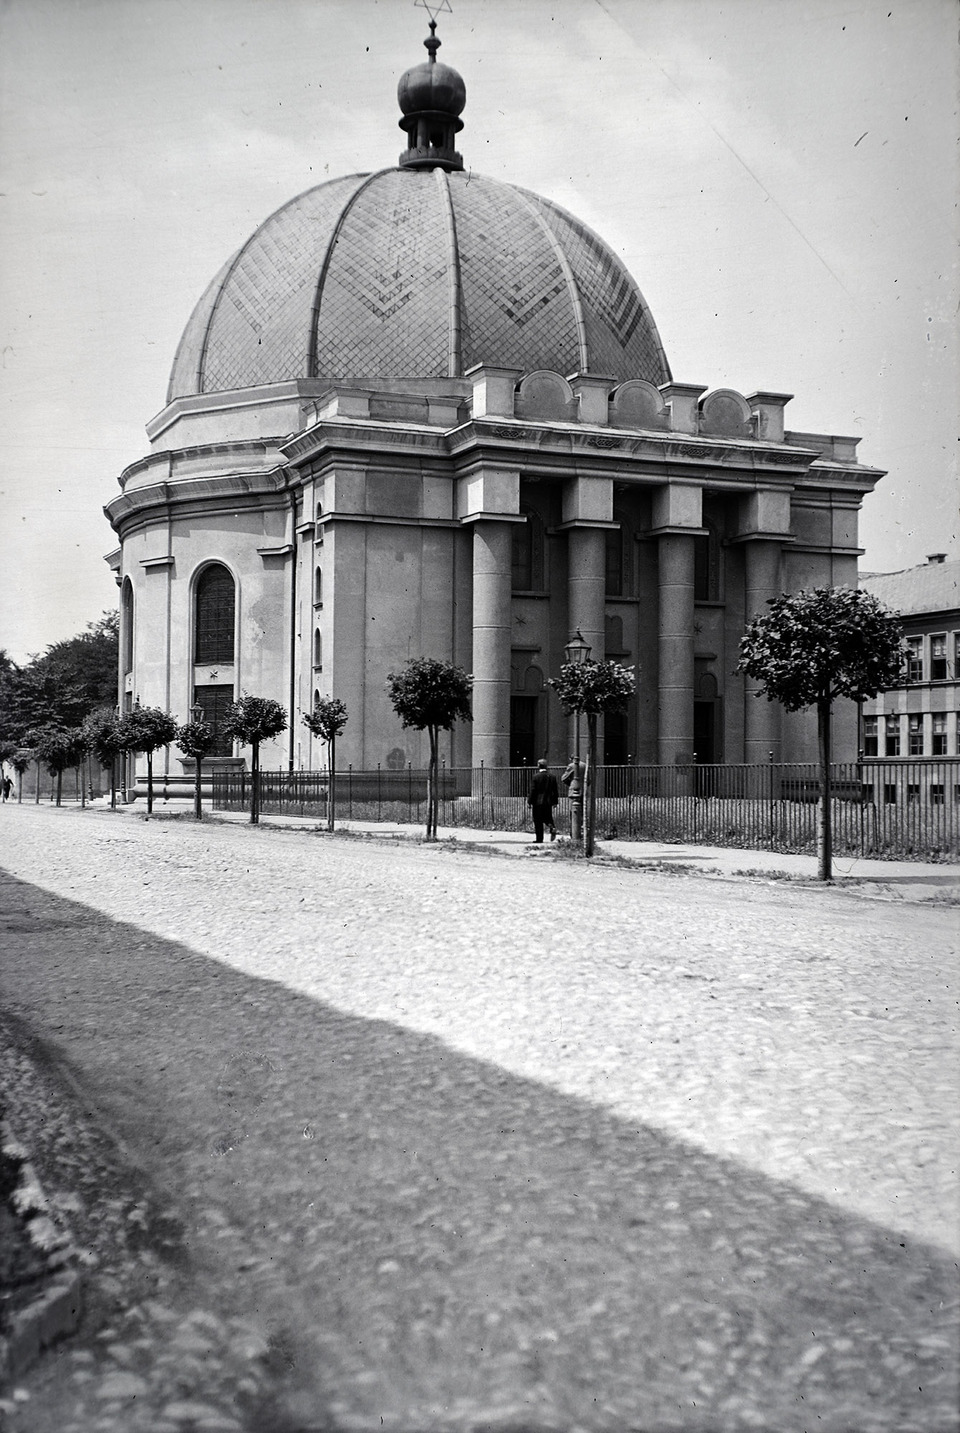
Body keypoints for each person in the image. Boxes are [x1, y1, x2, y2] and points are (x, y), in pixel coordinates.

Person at [527, 758, 559, 843]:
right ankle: (552, 827)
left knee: (538, 820)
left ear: (538, 765)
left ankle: (539, 839)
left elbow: (533, 790)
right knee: (547, 817)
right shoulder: (552, 777)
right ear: (546, 766)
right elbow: (555, 790)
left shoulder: (536, 777)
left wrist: (529, 801)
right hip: (548, 802)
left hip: (537, 802)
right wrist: (555, 802)